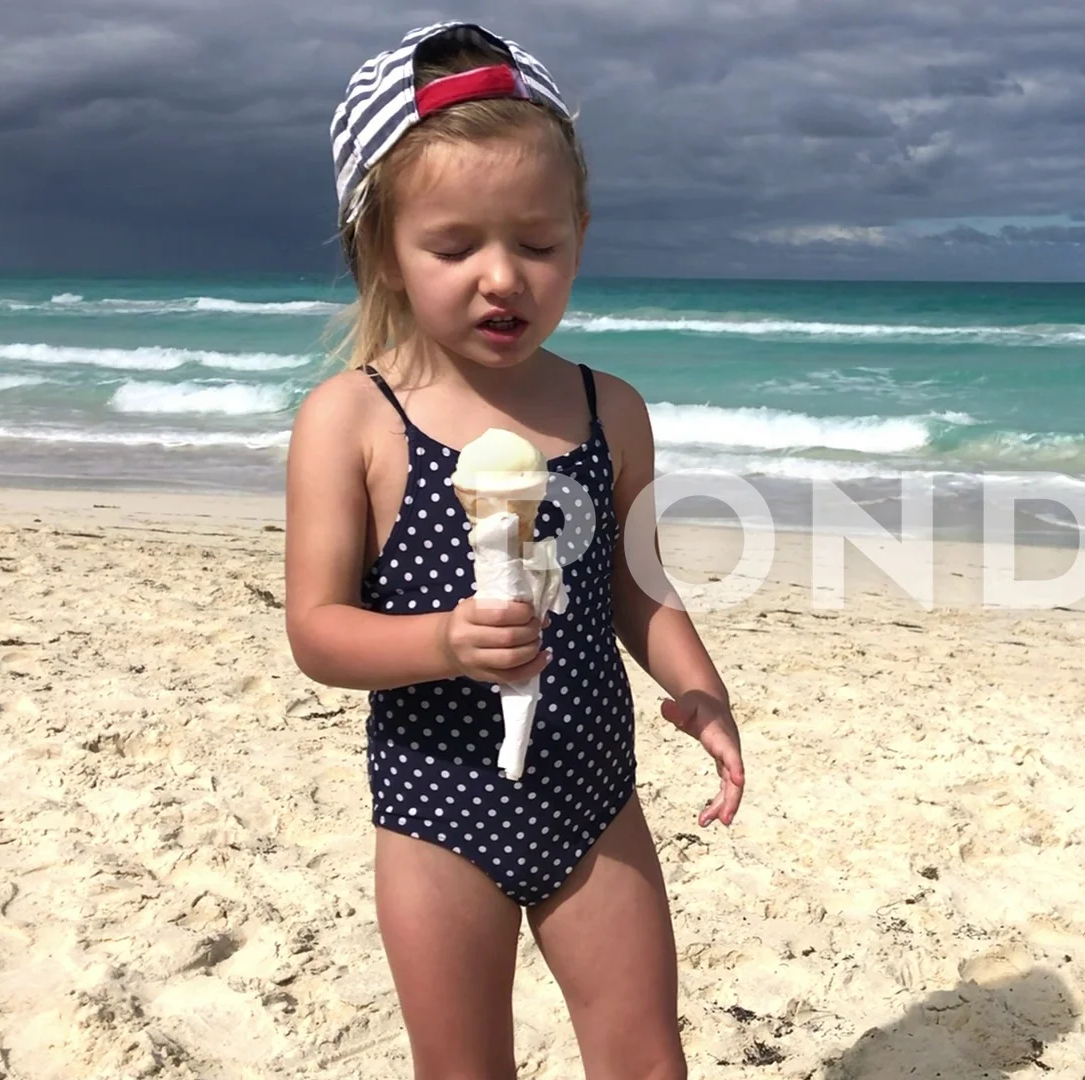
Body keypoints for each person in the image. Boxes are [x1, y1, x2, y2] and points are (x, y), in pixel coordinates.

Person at [283, 21, 745, 1079]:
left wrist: (701, 694)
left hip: (594, 793)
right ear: (384, 252)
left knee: (645, 1057)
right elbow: (318, 632)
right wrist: (446, 641)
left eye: (537, 245)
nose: (503, 278)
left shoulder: (606, 409)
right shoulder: (354, 420)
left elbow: (640, 586)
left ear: (578, 235)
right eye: (454, 248)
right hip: (435, 806)